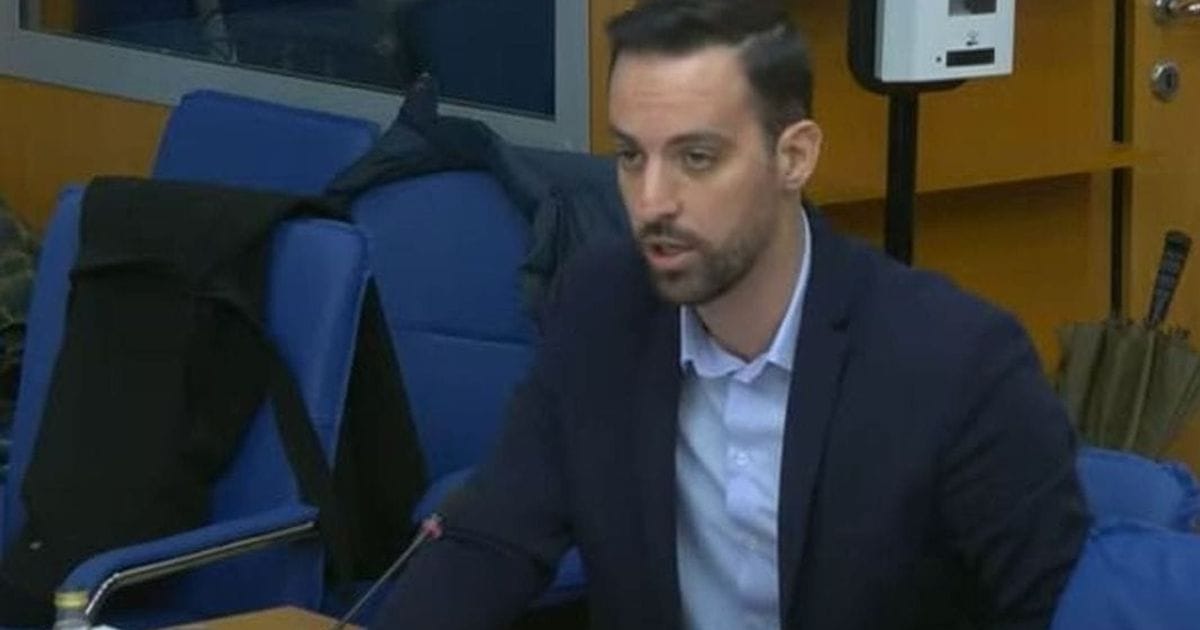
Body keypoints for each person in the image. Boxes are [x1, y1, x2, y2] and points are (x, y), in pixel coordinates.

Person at [372, 1, 1090, 628]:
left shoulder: (956, 363)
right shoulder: (600, 309)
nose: (652, 201)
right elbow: (493, 539)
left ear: (794, 156)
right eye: (631, 156)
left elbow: (1057, 610)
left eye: (697, 157)